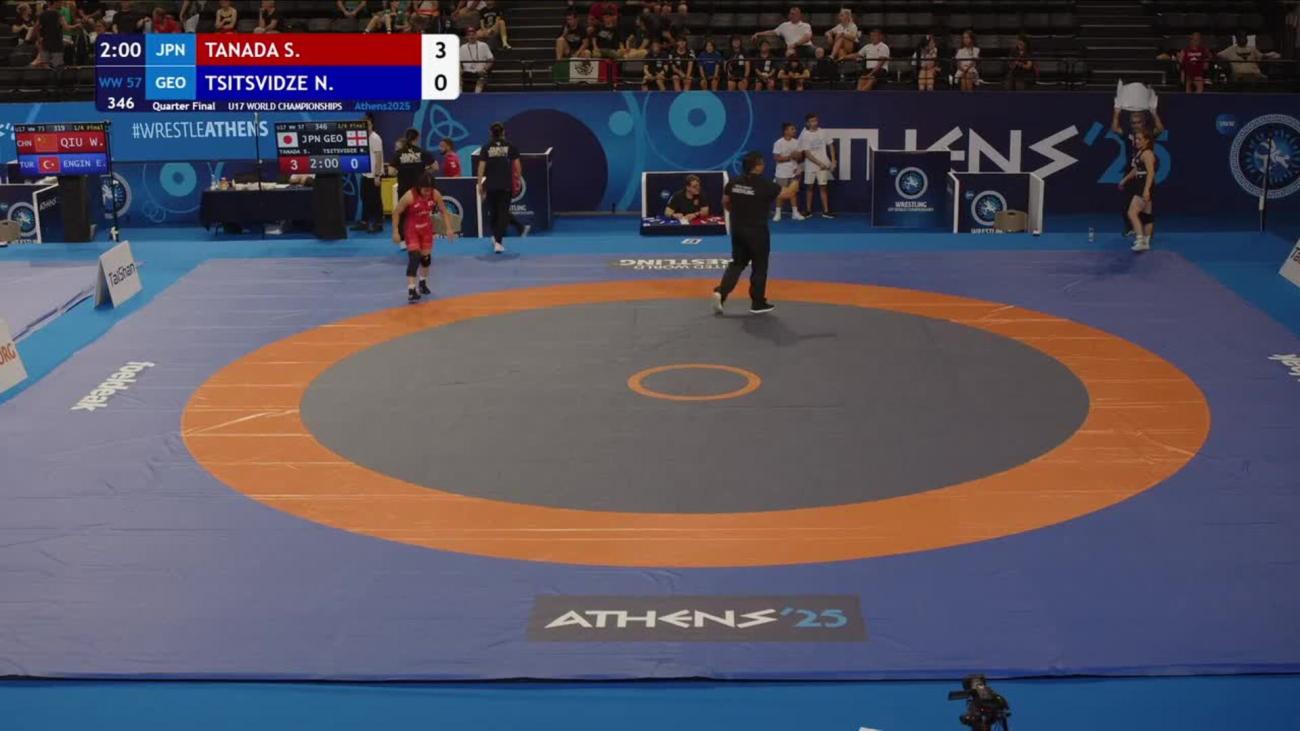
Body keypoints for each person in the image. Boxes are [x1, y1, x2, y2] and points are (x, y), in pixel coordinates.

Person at [712, 151, 800, 316]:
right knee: (760, 265)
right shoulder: (765, 185)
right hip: (757, 231)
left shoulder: (733, 182)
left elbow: (725, 202)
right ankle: (758, 302)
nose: (763, 166)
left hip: (738, 229)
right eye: (762, 163)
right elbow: (788, 193)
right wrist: (796, 178)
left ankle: (721, 292)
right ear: (757, 167)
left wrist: (736, 213)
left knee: (737, 263)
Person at [391, 172, 456, 303]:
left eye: (430, 190)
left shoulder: (435, 194)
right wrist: (395, 232)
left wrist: (449, 228)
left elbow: (443, 211)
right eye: (425, 190)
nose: (427, 193)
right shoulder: (409, 196)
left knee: (425, 259)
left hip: (426, 229)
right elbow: (396, 212)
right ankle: (411, 290)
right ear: (419, 187)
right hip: (412, 230)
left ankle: (422, 283)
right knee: (414, 258)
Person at [477, 122, 525, 254]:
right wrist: (518, 178)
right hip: (505, 186)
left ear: (490, 133)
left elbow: (481, 166)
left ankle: (496, 238)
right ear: (503, 132)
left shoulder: (486, 147)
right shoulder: (511, 146)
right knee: (502, 214)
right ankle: (498, 242)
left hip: (491, 186)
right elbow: (517, 165)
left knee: (494, 213)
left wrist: (480, 184)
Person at [391, 127, 436, 249]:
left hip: (404, 188)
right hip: (418, 190)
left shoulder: (399, 153)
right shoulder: (422, 152)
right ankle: (419, 239)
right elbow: (435, 167)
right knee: (420, 213)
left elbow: (391, 171)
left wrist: (401, 170)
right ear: (417, 138)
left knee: (402, 214)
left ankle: (403, 241)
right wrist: (425, 172)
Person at [1117, 128, 1157, 253]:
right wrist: (1124, 180)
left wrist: (1146, 190)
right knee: (1146, 216)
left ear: (1147, 140)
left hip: (1144, 185)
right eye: (1136, 139)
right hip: (1141, 184)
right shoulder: (1140, 153)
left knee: (1132, 213)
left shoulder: (1148, 154)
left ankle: (1140, 241)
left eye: (1140, 139)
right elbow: (1136, 170)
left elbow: (1151, 173)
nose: (1136, 141)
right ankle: (1146, 242)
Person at [798, 112, 835, 218]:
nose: (815, 123)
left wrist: (833, 161)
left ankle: (826, 211)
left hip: (823, 165)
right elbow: (807, 154)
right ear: (807, 123)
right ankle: (808, 211)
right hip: (810, 166)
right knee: (809, 187)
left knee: (823, 187)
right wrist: (819, 163)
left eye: (816, 120)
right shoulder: (805, 135)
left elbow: (831, 145)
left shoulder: (823, 132)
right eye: (812, 121)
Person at [354, 114, 385, 234]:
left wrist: (377, 175)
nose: (366, 127)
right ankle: (365, 222)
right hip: (365, 174)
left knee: (375, 200)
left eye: (368, 125)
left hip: (374, 175)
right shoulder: (363, 138)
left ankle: (378, 223)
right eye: (364, 125)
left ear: (372, 125)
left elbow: (379, 157)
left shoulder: (375, 138)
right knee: (365, 198)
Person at [771, 122, 803, 221]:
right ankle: (778, 213)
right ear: (786, 131)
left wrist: (797, 156)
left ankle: (795, 213)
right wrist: (790, 156)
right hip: (781, 172)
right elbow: (776, 158)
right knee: (780, 193)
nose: (794, 131)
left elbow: (800, 157)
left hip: (794, 171)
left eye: (794, 129)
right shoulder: (778, 143)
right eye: (792, 129)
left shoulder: (797, 142)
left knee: (793, 192)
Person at [31, 1, 65, 68]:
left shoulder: (42, 14)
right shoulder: (58, 14)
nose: (61, 4)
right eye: (60, 2)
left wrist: (39, 39)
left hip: (46, 43)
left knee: (45, 66)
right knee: (56, 66)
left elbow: (36, 28)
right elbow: (66, 27)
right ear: (55, 3)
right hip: (56, 44)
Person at [460, 27, 494, 93]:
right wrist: (460, 70)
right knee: (457, 77)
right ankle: (460, 95)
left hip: (480, 71)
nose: (471, 36)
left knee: (482, 77)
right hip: (467, 72)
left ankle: (476, 96)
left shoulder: (483, 45)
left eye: (473, 34)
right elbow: (458, 62)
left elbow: (491, 59)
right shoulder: (462, 47)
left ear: (476, 35)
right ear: (466, 37)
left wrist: (485, 69)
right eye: (469, 35)